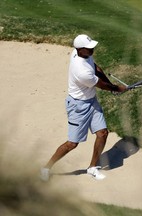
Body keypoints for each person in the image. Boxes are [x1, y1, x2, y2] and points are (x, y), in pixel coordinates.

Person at [40, 34, 127, 181]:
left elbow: (96, 68)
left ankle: (92, 167)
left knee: (103, 133)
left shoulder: (80, 54)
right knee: (72, 144)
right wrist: (116, 88)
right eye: (89, 48)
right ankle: (46, 168)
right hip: (78, 107)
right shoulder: (81, 72)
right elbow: (101, 85)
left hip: (91, 101)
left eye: (92, 47)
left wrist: (112, 85)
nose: (92, 50)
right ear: (80, 50)